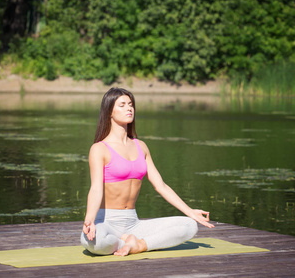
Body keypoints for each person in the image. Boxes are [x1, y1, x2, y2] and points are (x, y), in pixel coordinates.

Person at [81, 87, 214, 256]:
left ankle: (140, 245)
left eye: (131, 104)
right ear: (109, 112)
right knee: (93, 242)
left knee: (189, 226)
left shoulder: (141, 146)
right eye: (122, 105)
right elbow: (96, 189)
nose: (129, 108)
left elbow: (161, 186)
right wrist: (89, 220)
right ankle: (125, 241)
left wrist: (190, 211)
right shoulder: (99, 149)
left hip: (133, 223)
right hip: (106, 222)